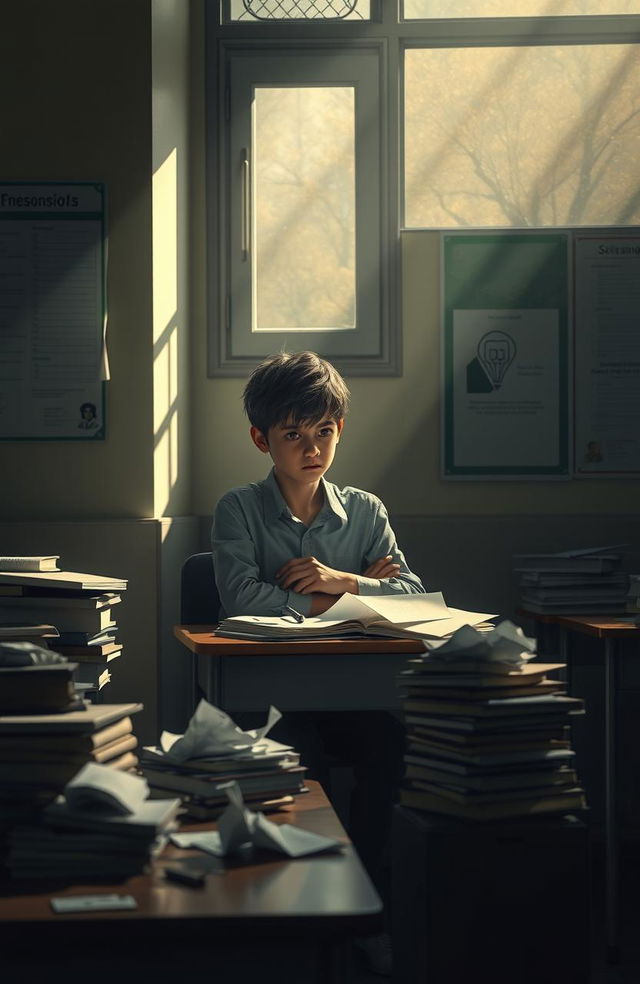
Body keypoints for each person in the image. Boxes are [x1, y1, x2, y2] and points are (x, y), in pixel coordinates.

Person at [211, 351, 426, 976]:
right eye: (293, 434)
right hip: (271, 698)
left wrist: (340, 577)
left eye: (324, 431)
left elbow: (412, 595)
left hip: (352, 697)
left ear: (339, 430)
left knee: (393, 750)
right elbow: (238, 598)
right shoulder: (239, 509)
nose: (312, 448)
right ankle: (299, 911)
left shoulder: (366, 511)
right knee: (292, 758)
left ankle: (364, 902)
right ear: (261, 439)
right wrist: (349, 597)